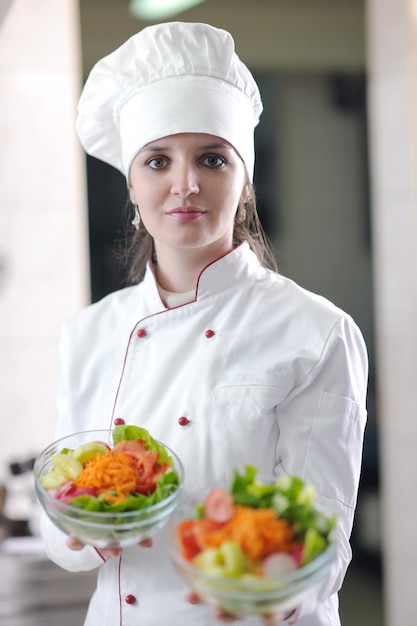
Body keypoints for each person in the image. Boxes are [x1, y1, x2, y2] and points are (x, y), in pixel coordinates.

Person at [40, 21, 368, 626]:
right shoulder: (88, 333)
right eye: (158, 161)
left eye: (212, 159)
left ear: (244, 183)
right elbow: (60, 522)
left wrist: (262, 591)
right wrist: (87, 531)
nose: (185, 184)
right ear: (132, 186)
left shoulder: (316, 331)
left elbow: (322, 539)